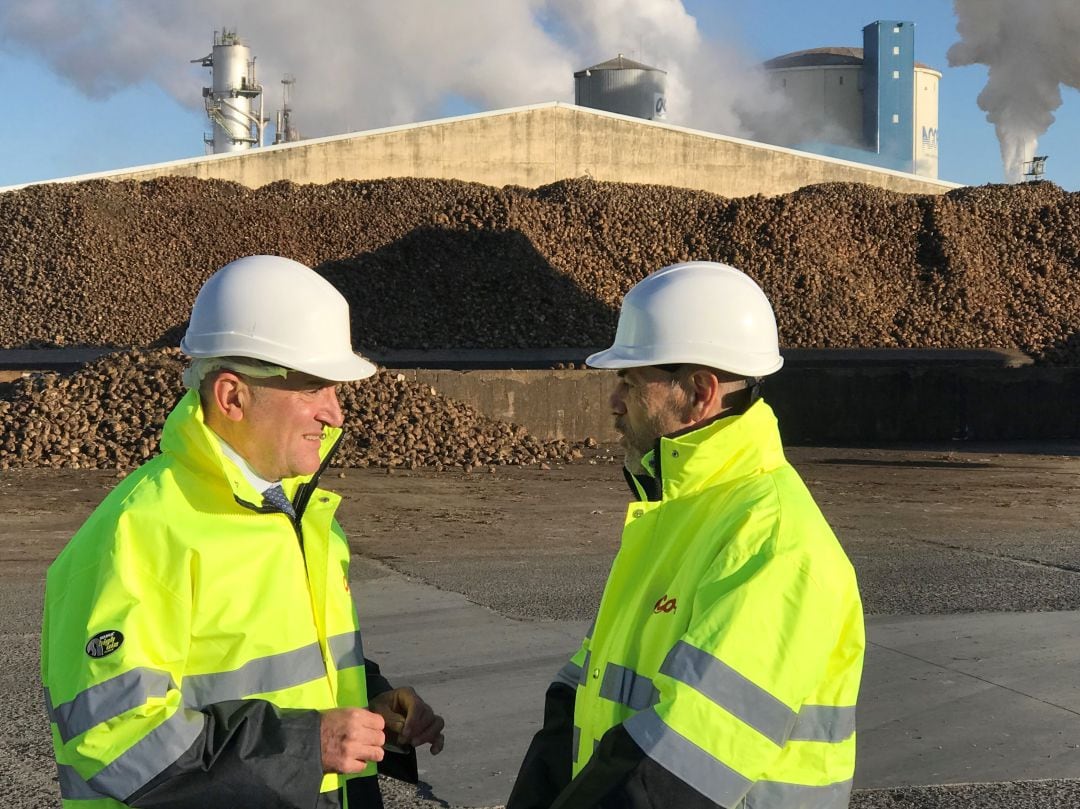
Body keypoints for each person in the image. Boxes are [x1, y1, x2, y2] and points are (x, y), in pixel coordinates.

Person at [41, 255, 445, 809]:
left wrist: (372, 702)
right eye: (313, 389)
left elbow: (282, 667)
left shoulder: (299, 514)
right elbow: (114, 739)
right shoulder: (139, 531)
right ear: (233, 396)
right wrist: (307, 746)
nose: (336, 414)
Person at [507, 261, 864, 809]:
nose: (614, 402)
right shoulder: (677, 514)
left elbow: (676, 767)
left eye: (630, 380)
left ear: (699, 391)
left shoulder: (772, 541)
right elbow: (585, 691)